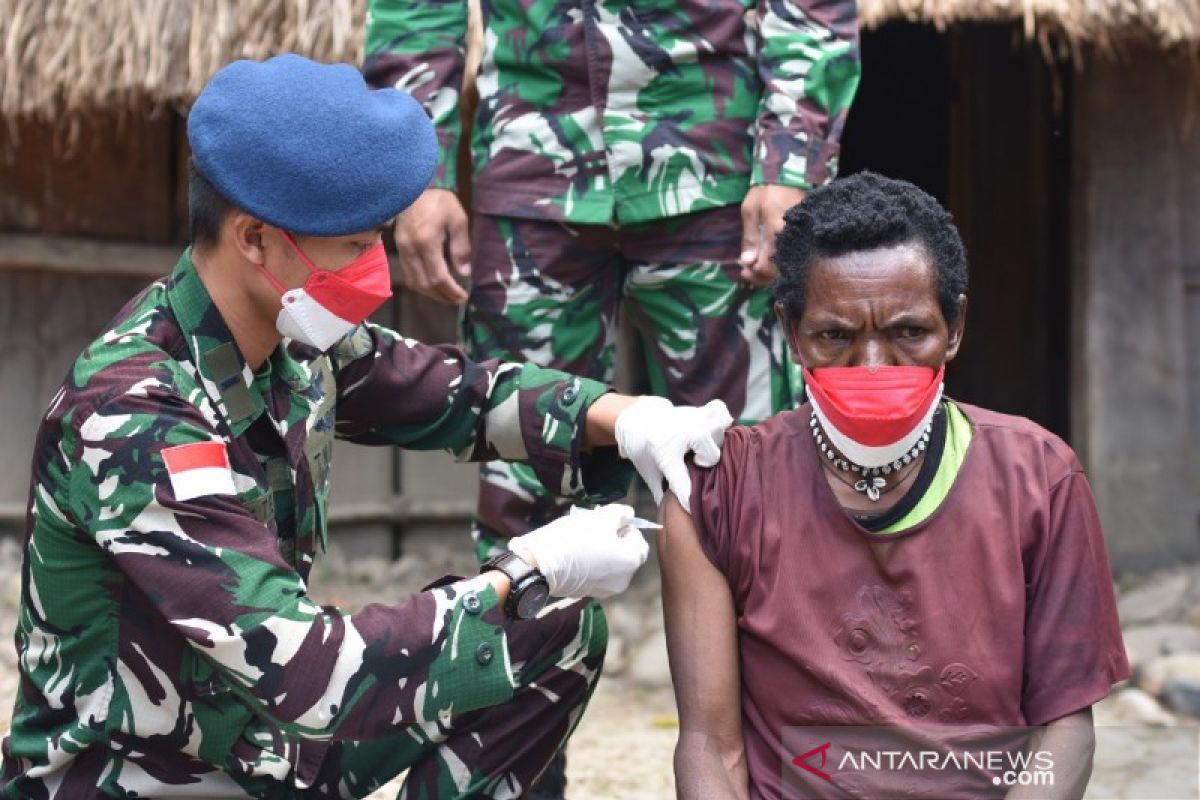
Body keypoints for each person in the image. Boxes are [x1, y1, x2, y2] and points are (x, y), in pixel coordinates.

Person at [0, 55, 734, 799]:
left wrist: (630, 419)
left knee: (555, 634)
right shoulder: (136, 413)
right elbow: (308, 670)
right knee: (515, 610)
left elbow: (459, 394)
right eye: (354, 245)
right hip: (143, 776)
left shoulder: (288, 339)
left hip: (265, 747)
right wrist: (522, 573)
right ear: (255, 240)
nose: (376, 270)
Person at [658, 172, 1131, 799]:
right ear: (794, 334)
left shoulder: (1041, 479)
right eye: (836, 336)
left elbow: (1065, 730)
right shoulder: (715, 492)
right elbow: (710, 748)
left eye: (908, 333)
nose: (873, 368)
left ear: (954, 328)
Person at [361, 0, 861, 564]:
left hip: (712, 173)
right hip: (532, 168)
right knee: (526, 483)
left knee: (749, 478)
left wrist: (791, 163)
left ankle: (755, 653)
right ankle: (534, 651)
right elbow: (415, 12)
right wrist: (419, 171)